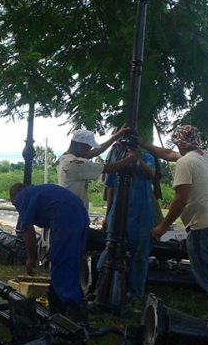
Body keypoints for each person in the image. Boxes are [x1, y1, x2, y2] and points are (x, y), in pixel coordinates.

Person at [137, 125, 208, 325]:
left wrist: (162, 227)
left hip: (203, 228)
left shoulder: (185, 164)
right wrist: (143, 144)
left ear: (180, 143)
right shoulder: (204, 156)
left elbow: (180, 200)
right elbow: (168, 154)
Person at [9, 183, 90, 321]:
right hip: (80, 214)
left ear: (14, 197)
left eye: (14, 204)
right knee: (71, 262)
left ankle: (71, 313)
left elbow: (28, 230)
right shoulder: (37, 192)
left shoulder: (21, 196)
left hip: (65, 218)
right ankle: (69, 303)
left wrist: (31, 259)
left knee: (61, 264)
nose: (17, 208)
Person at [97, 146, 156, 301]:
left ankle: (135, 293)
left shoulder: (147, 158)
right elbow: (110, 189)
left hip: (142, 215)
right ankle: (101, 287)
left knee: (140, 254)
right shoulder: (116, 160)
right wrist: (107, 216)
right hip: (117, 213)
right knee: (111, 249)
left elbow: (151, 175)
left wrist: (137, 160)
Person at [57, 127, 138, 210]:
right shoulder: (74, 163)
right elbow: (109, 168)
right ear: (79, 146)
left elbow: (96, 152)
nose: (89, 151)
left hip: (67, 206)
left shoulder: (65, 158)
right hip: (73, 209)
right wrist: (130, 158)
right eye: (88, 148)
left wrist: (115, 136)